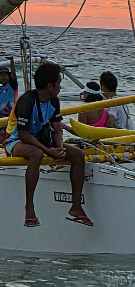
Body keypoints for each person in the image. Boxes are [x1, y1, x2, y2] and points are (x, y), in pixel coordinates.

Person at [4, 62, 91, 227]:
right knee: (36, 154)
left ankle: (76, 207)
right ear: (50, 86)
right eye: (58, 83)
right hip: (17, 141)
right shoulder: (27, 101)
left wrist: (59, 148)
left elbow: (57, 129)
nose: (60, 87)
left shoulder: (54, 101)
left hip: (41, 141)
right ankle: (29, 207)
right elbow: (23, 134)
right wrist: (48, 152)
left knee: (78, 155)